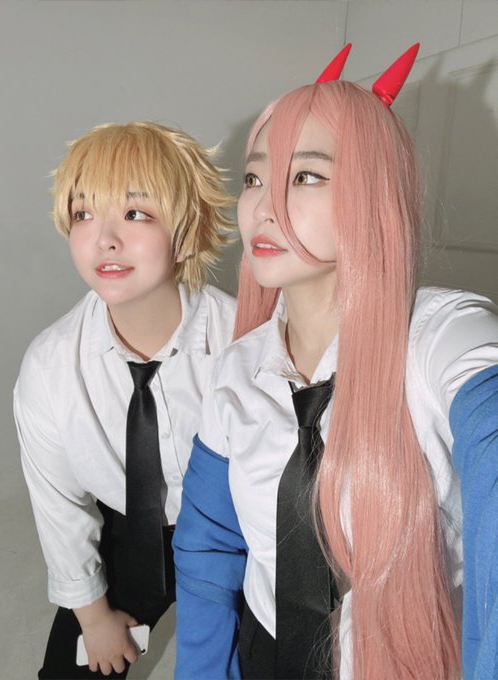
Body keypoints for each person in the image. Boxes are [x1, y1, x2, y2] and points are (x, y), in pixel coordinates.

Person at [172, 44, 498, 680]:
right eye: (255, 178)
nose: (264, 206)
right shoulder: (236, 370)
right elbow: (208, 547)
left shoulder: (443, 337)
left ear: (372, 195)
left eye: (306, 176)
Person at [13, 120, 236, 679]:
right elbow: (60, 506)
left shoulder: (246, 342)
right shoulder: (51, 367)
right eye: (84, 213)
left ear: (188, 232)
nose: (104, 239)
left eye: (136, 213)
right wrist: (93, 617)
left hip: (239, 528)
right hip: (131, 529)